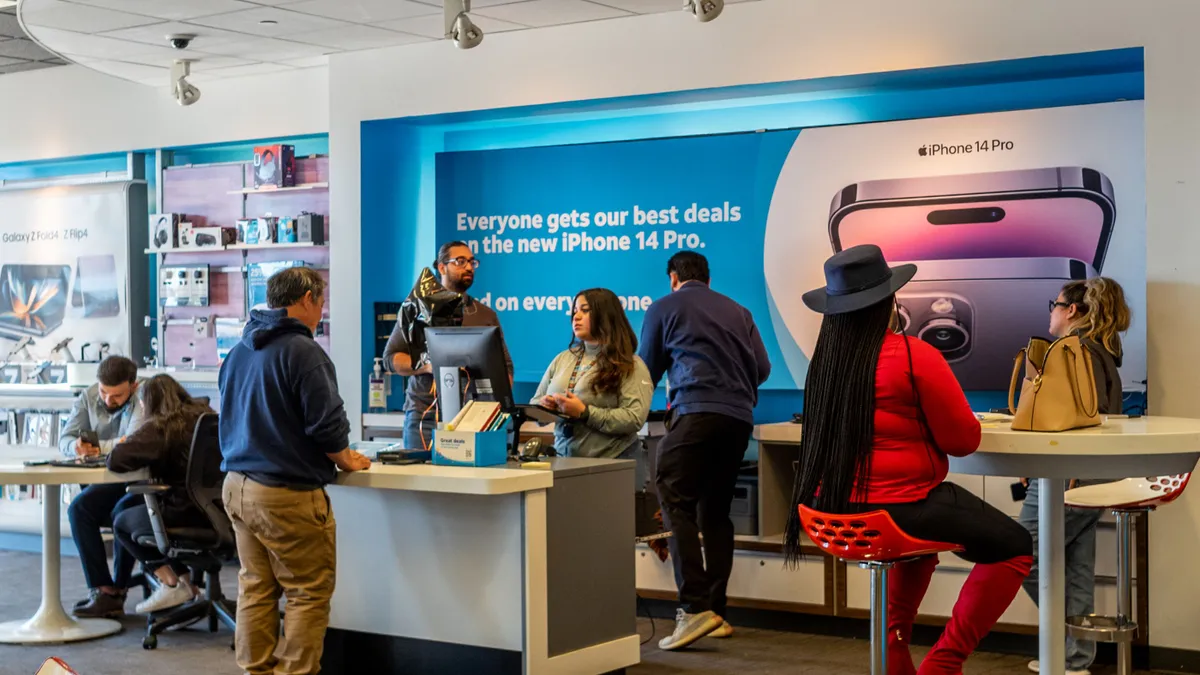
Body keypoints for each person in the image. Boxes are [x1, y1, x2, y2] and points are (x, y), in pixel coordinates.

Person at [785, 245, 1033, 675]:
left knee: (920, 546)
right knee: (1014, 546)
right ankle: (945, 661)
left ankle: (893, 648)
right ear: (889, 302)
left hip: (826, 512)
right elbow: (963, 441)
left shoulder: (824, 363)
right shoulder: (915, 354)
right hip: (899, 511)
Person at [219, 267, 371, 675]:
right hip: (285, 493)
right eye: (321, 302)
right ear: (305, 298)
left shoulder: (239, 351)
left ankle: (257, 671)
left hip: (237, 486)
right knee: (307, 592)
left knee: (255, 586)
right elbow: (326, 424)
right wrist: (345, 456)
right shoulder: (303, 352)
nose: (322, 311)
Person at [638, 251, 771, 650]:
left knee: (675, 500)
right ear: (708, 279)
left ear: (673, 278)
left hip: (694, 414)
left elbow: (647, 366)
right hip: (737, 420)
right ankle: (716, 612)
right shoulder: (739, 311)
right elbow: (761, 369)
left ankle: (692, 609)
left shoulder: (664, 306)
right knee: (714, 514)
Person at [1019, 276, 1131, 675]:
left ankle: (1063, 640)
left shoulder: (1073, 351)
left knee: (1020, 554)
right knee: (1077, 565)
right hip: (1095, 474)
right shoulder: (1102, 352)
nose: (1051, 311)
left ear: (1071, 311)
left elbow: (1064, 421)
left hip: (1066, 474)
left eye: (1056, 303)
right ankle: (1074, 659)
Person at [382, 241, 513, 450]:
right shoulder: (418, 307)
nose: (469, 267)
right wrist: (425, 366)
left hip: (473, 421)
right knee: (421, 482)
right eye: (460, 261)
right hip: (425, 417)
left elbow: (505, 368)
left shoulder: (486, 315)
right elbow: (390, 358)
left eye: (472, 262)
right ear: (441, 267)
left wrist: (492, 408)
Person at [107, 375, 214, 614]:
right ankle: (187, 583)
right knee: (125, 507)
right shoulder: (207, 415)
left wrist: (140, 429)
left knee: (121, 522)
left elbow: (115, 460)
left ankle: (170, 582)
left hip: (182, 512)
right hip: (219, 513)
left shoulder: (161, 426)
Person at [64, 355, 146, 619]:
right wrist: (74, 446)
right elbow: (65, 436)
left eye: (117, 396)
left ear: (132, 386)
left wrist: (97, 446)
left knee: (117, 511)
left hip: (137, 479)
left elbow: (132, 442)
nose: (108, 400)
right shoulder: (88, 396)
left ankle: (119, 588)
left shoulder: (144, 396)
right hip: (104, 478)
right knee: (79, 509)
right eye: (104, 392)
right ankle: (102, 590)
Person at [532, 288, 653, 459]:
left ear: (605, 315)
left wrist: (585, 413)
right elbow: (535, 402)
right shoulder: (562, 359)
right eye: (574, 311)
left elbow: (634, 418)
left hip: (612, 463)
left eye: (585, 310)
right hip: (563, 461)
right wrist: (545, 408)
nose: (576, 316)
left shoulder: (631, 364)